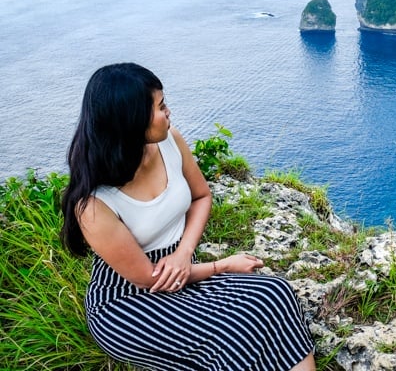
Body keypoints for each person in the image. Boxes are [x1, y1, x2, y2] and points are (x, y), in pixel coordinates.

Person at [60, 62, 315, 371]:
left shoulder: (169, 140)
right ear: (131, 120)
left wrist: (184, 253)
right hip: (128, 300)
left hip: (180, 268)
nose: (169, 112)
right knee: (233, 332)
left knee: (276, 294)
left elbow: (201, 196)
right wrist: (223, 265)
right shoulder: (94, 204)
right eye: (160, 106)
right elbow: (148, 277)